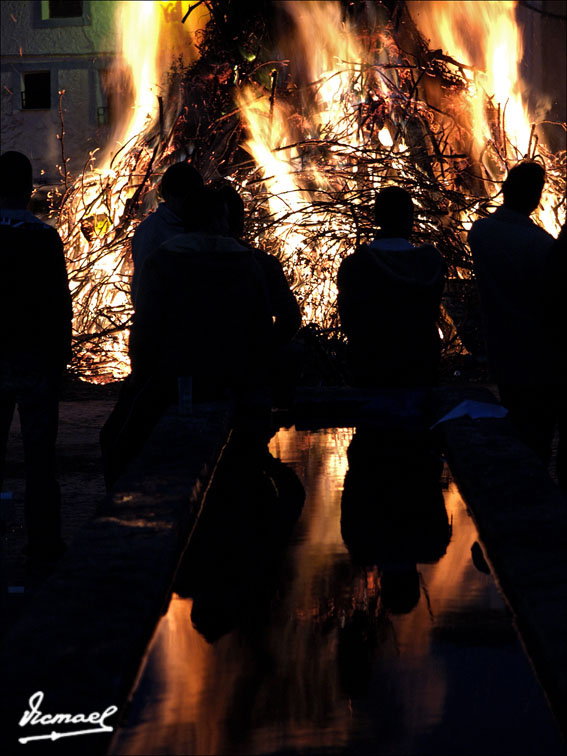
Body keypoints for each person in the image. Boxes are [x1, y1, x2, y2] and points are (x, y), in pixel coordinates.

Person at [101, 187, 275, 488]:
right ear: (222, 221)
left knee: (116, 441)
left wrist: (141, 377)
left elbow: (145, 326)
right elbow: (261, 325)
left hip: (173, 377)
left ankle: (125, 514)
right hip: (234, 378)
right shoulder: (247, 263)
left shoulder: (164, 260)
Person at [468, 161, 564, 485]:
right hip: (539, 356)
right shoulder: (540, 244)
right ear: (536, 198)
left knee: (515, 427)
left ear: (506, 189)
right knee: (537, 438)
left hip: (501, 350)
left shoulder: (479, 233)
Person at [0, 151, 72, 565]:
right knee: (40, 459)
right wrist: (59, 358)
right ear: (28, 190)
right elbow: (59, 304)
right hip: (35, 364)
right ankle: (44, 544)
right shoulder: (44, 238)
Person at [337, 185, 445, 387]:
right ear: (411, 220)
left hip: (372, 367)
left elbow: (349, 320)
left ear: (376, 219)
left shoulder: (355, 265)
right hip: (420, 366)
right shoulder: (431, 263)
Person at [217, 184, 302, 405]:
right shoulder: (262, 263)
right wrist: (262, 350)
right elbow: (290, 318)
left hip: (202, 375)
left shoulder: (184, 263)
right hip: (251, 377)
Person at [130, 161, 204, 302]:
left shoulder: (192, 225)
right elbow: (145, 284)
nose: (192, 202)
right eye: (186, 196)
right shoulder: (153, 231)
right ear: (170, 195)